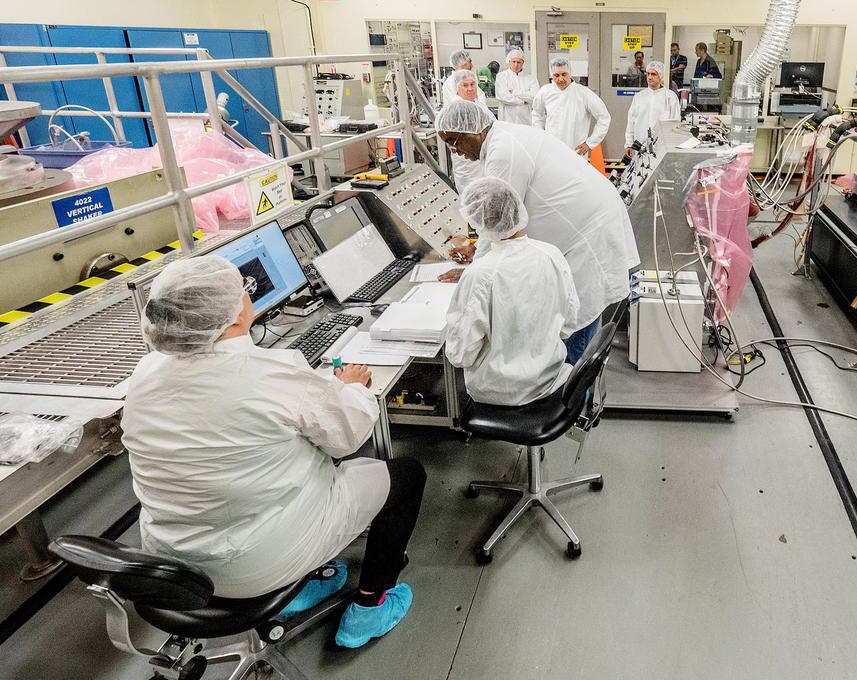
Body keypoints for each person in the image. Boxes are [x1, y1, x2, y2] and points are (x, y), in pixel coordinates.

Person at [122, 257, 422, 649]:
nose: (248, 294)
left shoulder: (144, 373)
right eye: (243, 289)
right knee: (406, 476)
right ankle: (369, 608)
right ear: (233, 316)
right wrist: (353, 387)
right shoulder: (270, 372)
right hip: (258, 565)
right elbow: (347, 437)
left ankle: (305, 586)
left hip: (174, 564)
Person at [436, 100, 638, 365]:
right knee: (578, 318)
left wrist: (475, 275)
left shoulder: (503, 152)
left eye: (454, 141)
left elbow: (497, 218)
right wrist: (476, 250)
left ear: (472, 129)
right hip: (590, 225)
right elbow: (499, 224)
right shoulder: (504, 136)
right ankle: (577, 383)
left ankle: (569, 387)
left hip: (588, 235)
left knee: (576, 327)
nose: (455, 151)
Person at [443, 178, 581, 405]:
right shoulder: (551, 254)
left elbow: (460, 355)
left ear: (477, 220)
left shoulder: (480, 274)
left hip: (501, 392)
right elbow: (569, 324)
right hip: (552, 378)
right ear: (517, 208)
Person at [531, 57, 611, 159]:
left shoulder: (583, 93)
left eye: (564, 74)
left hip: (577, 152)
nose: (561, 79)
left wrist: (590, 143)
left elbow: (604, 117)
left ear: (570, 73)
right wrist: (541, 136)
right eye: (556, 75)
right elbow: (536, 114)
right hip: (551, 149)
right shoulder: (545, 91)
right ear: (551, 75)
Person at [450, 69, 494, 195]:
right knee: (471, 195)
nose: (470, 89)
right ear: (457, 88)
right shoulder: (457, 107)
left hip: (482, 159)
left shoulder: (477, 103)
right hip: (468, 162)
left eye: (472, 84)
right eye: (465, 85)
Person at [624, 61, 681, 156]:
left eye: (653, 74)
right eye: (648, 74)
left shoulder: (670, 97)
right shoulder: (639, 97)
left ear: (661, 76)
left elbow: (675, 123)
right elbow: (631, 122)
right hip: (640, 145)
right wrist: (629, 143)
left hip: (662, 146)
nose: (649, 77)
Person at [494, 47, 538, 125]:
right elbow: (503, 96)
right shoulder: (501, 76)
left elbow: (535, 96)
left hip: (526, 120)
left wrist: (514, 92)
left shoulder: (531, 79)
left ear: (523, 63)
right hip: (507, 120)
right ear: (509, 62)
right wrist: (524, 101)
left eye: (518, 62)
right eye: (513, 61)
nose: (516, 65)